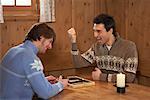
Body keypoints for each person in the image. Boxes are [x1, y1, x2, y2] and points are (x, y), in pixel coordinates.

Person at [0, 23, 68, 100]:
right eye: (49, 41)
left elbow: (16, 81)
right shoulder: (31, 59)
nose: (50, 47)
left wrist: (42, 80)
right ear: (41, 38)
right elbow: (45, 93)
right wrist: (61, 84)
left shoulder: (13, 51)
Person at [67, 13, 138, 83]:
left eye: (98, 31)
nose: (95, 35)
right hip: (104, 90)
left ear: (110, 31)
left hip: (126, 91)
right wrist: (73, 41)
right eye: (94, 31)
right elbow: (78, 63)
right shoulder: (96, 47)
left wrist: (102, 77)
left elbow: (130, 77)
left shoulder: (129, 47)